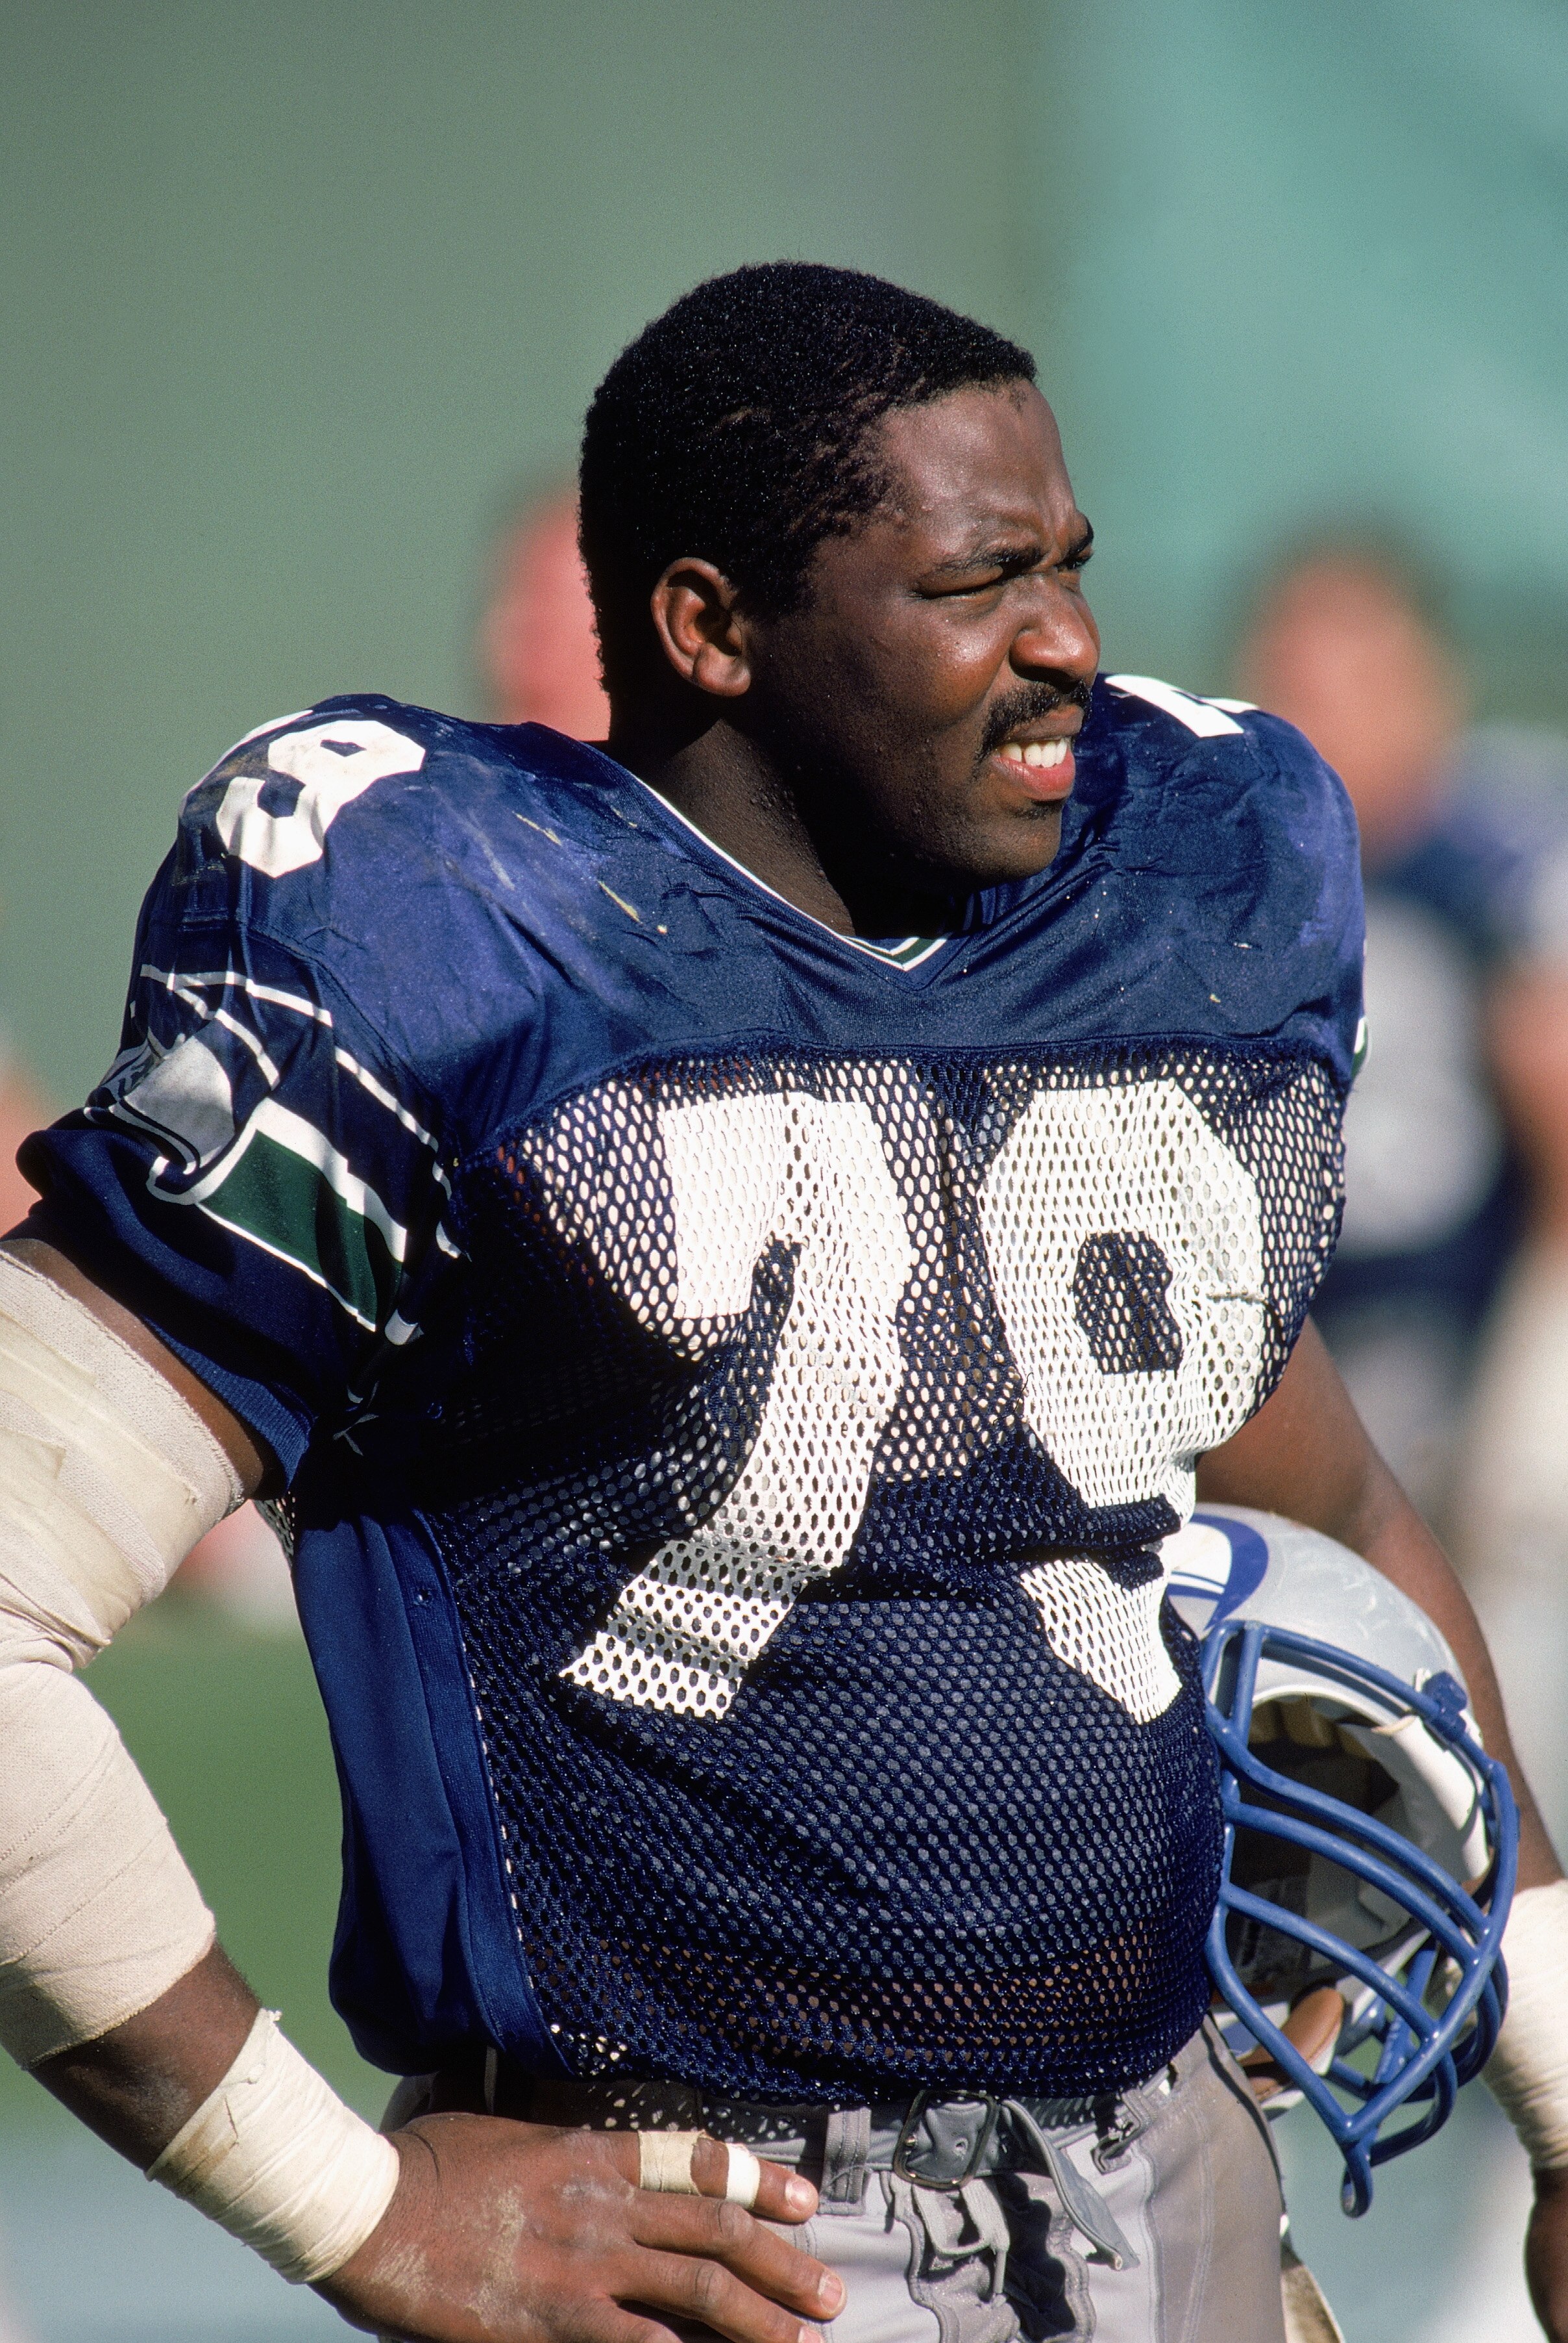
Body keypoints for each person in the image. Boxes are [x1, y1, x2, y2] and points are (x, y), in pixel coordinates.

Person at [3, 264, 1568, 2343]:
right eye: (979, 580)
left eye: (1075, 564)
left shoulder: (1167, 898)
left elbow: (1344, 1504)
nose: (1074, 642)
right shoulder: (453, 945)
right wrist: (356, 2208)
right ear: (710, 628)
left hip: (1173, 2188)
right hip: (716, 2241)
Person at [1235, 547, 1568, 1839]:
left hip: (1482, 1335)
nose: (1325, 715)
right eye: (1295, 680)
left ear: (1426, 684)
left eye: (1355, 676)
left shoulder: (1492, 846)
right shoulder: (1222, 876)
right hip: (1302, 1364)